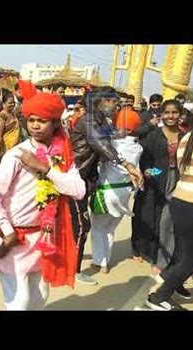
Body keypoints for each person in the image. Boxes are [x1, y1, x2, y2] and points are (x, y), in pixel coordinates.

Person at [0, 92, 85, 310]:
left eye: (42, 120)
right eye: (31, 120)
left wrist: (45, 169)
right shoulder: (18, 154)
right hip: (15, 239)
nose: (35, 126)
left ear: (55, 123)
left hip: (44, 239)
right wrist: (7, 232)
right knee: (19, 303)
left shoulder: (62, 156)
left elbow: (78, 190)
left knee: (39, 299)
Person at [70, 86, 144, 285]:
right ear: (102, 101)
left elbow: (117, 139)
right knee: (81, 226)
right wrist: (127, 164)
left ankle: (75, 265)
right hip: (75, 177)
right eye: (113, 101)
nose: (116, 105)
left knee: (80, 225)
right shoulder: (89, 121)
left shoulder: (102, 121)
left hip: (87, 178)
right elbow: (101, 145)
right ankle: (73, 270)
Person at [145, 114, 193, 310]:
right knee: (192, 258)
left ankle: (167, 278)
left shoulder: (187, 137)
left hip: (182, 200)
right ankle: (159, 297)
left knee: (184, 252)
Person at [132, 100, 183, 280]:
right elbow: (145, 161)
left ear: (180, 114)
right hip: (156, 180)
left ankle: (164, 258)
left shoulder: (186, 136)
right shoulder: (154, 135)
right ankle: (144, 250)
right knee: (150, 216)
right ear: (161, 114)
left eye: (174, 112)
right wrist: (151, 173)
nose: (170, 116)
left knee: (170, 221)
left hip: (179, 179)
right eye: (167, 112)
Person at [90, 108, 143, 273]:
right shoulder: (138, 148)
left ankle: (100, 263)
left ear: (126, 129)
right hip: (125, 193)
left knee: (98, 227)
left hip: (107, 191)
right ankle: (106, 259)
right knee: (109, 228)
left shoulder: (114, 143)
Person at [0, 91, 20, 165]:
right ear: (3, 104)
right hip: (5, 149)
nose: (12, 104)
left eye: (13, 102)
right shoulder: (2, 116)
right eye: (10, 103)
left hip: (14, 147)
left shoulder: (12, 114)